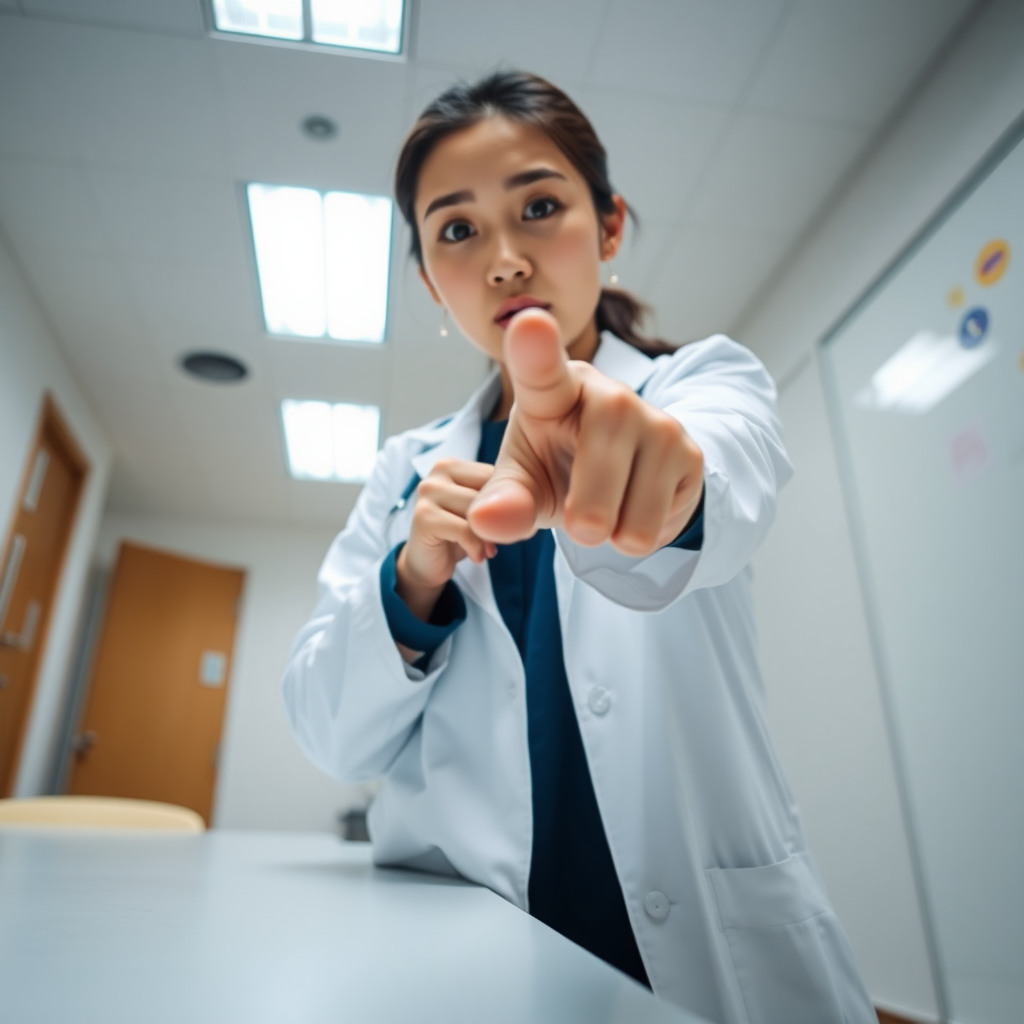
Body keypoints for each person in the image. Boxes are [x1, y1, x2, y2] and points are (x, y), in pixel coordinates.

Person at [283, 70, 876, 1024]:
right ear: (431, 282)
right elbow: (328, 731)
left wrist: (654, 479)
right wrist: (410, 583)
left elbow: (714, 479)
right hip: (464, 962)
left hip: (704, 962)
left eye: (541, 206)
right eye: (457, 230)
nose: (506, 259)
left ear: (608, 228)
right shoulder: (404, 473)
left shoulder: (699, 388)